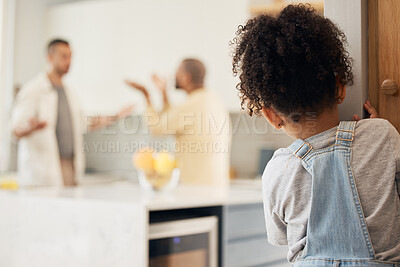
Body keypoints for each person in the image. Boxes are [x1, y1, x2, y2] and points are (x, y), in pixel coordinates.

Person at [231, 4, 400, 266]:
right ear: (340, 88)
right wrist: (377, 134)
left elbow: (280, 237)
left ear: (271, 115)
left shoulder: (277, 170)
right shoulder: (381, 135)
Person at [12, 39, 133, 187]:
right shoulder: (33, 90)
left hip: (69, 168)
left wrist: (117, 116)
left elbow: (85, 123)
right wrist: (29, 128)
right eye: (64, 56)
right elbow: (14, 131)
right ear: (50, 58)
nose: (69, 61)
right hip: (42, 172)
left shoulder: (70, 93)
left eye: (70, 56)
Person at [126, 58, 231, 186]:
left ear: (186, 77)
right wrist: (163, 93)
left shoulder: (192, 105)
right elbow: (173, 119)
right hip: (216, 184)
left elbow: (157, 128)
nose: (173, 76)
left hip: (195, 187)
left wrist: (146, 95)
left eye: (177, 73)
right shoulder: (213, 99)